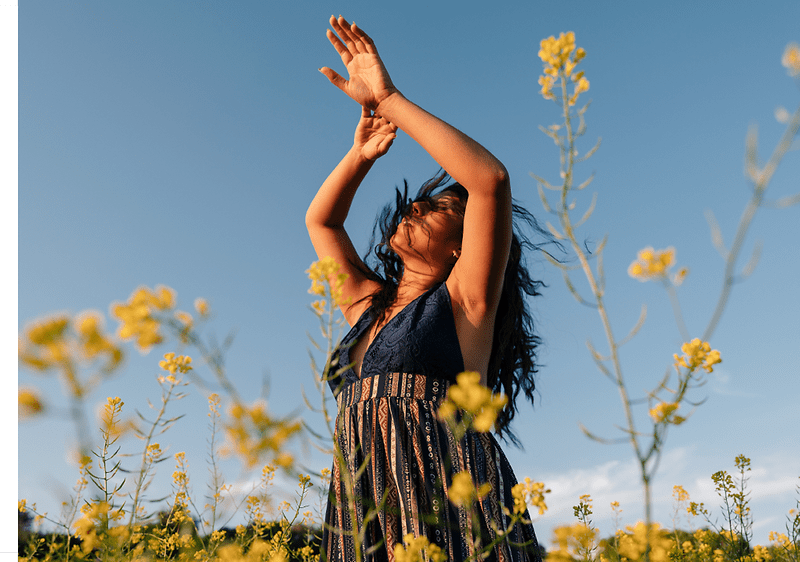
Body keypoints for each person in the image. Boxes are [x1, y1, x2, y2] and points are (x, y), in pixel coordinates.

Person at [307, 15, 544, 562]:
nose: (413, 206)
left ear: (463, 248)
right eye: (418, 202)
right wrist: (360, 154)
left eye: (436, 209)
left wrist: (388, 99)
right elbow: (322, 223)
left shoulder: (465, 303)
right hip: (365, 499)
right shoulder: (368, 307)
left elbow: (490, 180)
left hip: (448, 495)